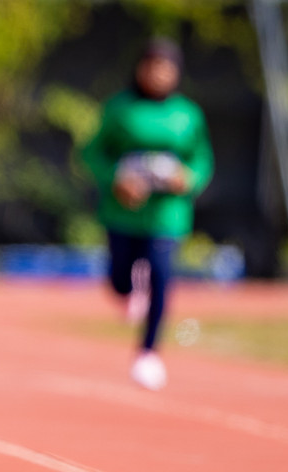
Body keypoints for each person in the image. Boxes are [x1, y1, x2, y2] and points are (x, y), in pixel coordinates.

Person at [80, 38, 213, 391]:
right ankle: (127, 292)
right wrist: (117, 181)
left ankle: (148, 352)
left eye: (166, 68)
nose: (158, 74)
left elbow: (201, 160)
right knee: (119, 277)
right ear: (140, 68)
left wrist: (189, 179)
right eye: (152, 66)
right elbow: (94, 153)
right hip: (123, 214)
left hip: (166, 216)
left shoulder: (188, 114)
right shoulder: (119, 109)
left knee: (161, 275)